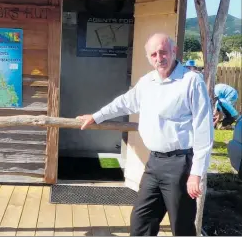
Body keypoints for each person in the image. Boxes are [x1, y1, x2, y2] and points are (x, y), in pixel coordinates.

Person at [77, 33, 213, 236]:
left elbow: (204, 130)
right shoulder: (147, 82)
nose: (159, 58)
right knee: (141, 220)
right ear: (149, 57)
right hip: (154, 163)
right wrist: (97, 116)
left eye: (163, 52)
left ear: (174, 51)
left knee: (181, 226)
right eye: (154, 54)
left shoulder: (191, 82)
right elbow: (124, 103)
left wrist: (196, 174)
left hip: (180, 164)